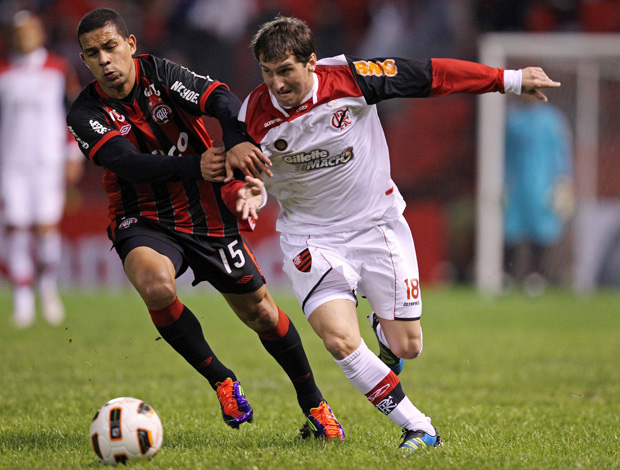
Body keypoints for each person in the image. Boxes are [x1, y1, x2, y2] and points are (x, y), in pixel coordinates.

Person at [231, 16, 561, 451]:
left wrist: (510, 79)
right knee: (339, 339)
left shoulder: (351, 80)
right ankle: (420, 427)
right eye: (267, 72)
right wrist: (247, 191)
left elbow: (432, 76)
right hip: (311, 236)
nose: (277, 83)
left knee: (408, 346)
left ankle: (385, 334)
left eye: (286, 70)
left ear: (311, 62)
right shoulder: (252, 115)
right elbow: (236, 171)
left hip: (376, 225)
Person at [66, 8, 343, 439]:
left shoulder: (160, 73)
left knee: (263, 314)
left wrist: (234, 146)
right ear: (84, 61)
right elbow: (125, 163)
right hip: (143, 216)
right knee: (156, 286)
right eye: (92, 54)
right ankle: (221, 379)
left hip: (208, 215)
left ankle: (316, 406)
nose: (104, 60)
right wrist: (198, 165)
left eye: (110, 47)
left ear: (131, 45)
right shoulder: (84, 112)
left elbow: (223, 100)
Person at [0, 10, 84, 329]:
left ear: (40, 34)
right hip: (11, 163)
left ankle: (47, 287)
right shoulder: (4, 73)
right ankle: (22, 298)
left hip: (48, 162)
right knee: (17, 228)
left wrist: (73, 153)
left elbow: (72, 114)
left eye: (30, 30)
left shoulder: (58, 70)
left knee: (47, 228)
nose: (25, 37)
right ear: (11, 37)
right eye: (19, 32)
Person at [503, 94, 573, 295]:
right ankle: (509, 274)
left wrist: (563, 181)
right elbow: (505, 153)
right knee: (512, 229)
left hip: (543, 182)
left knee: (541, 229)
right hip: (517, 183)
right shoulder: (513, 119)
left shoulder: (551, 119)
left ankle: (537, 275)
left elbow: (560, 152)